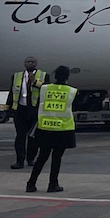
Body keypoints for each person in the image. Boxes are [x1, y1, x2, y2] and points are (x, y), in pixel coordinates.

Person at [26, 65, 75, 194]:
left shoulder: (45, 88)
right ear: (67, 77)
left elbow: (38, 85)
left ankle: (31, 183)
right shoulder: (72, 91)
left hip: (45, 128)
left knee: (41, 157)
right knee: (56, 158)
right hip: (63, 130)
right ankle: (53, 184)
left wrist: (33, 80)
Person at [5, 55, 44, 170]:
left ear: (36, 64)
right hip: (20, 110)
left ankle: (31, 159)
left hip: (34, 111)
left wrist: (35, 82)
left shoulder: (43, 75)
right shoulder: (16, 76)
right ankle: (19, 161)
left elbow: (46, 88)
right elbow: (11, 94)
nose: (30, 63)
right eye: (28, 61)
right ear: (24, 64)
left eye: (32, 61)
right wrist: (6, 110)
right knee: (20, 137)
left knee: (33, 137)